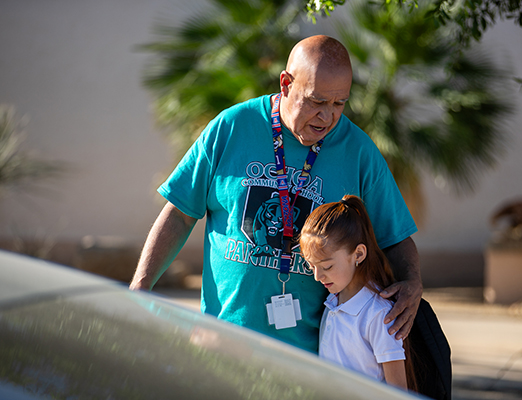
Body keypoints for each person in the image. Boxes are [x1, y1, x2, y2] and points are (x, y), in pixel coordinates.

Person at [130, 35, 422, 354]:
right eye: (317, 101)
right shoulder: (232, 127)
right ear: (286, 84)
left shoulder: (359, 152)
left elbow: (395, 238)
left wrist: (411, 282)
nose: (328, 117)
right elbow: (180, 213)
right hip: (221, 344)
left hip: (310, 356)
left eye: (339, 103)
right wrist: (141, 285)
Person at [299, 195, 417, 391]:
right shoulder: (331, 303)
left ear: (359, 254)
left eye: (327, 266)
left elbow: (399, 392)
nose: (317, 276)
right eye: (311, 266)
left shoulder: (379, 315)